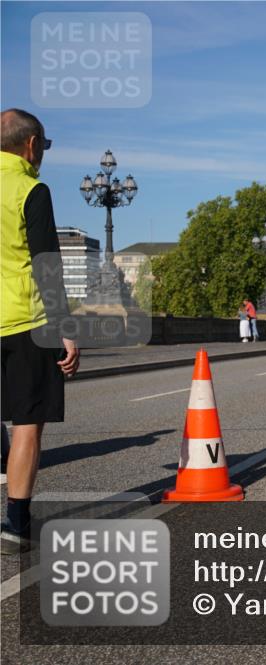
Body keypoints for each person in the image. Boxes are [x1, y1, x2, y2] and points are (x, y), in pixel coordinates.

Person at [1, 109, 80, 553]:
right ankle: (15, 523)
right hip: (25, 324)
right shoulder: (30, 188)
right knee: (26, 424)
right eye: (44, 147)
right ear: (31, 146)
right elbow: (46, 264)